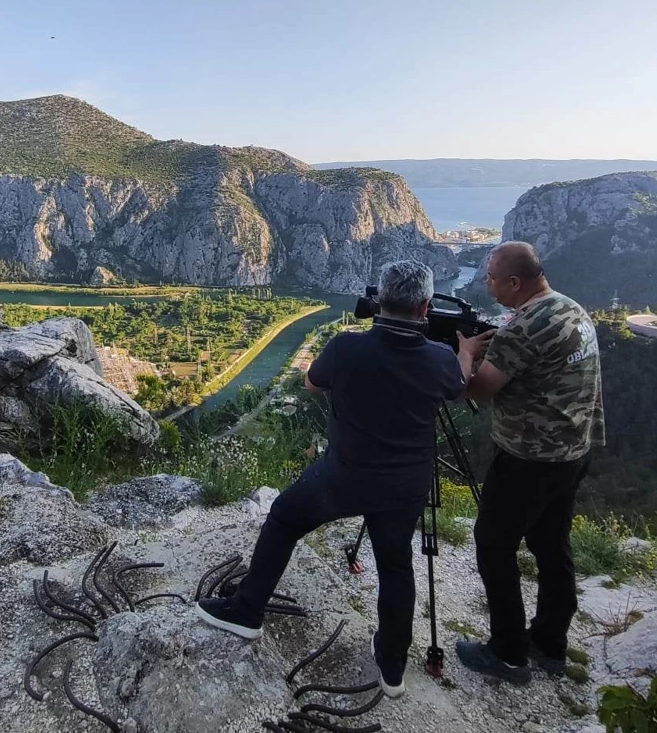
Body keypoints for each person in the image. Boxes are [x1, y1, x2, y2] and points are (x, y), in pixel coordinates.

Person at [194, 260, 465, 698]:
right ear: (425, 308)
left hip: (344, 478)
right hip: (405, 487)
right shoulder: (441, 359)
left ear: (379, 302)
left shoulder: (345, 348)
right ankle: (392, 665)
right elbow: (459, 386)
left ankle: (246, 612)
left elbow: (311, 384)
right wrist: (465, 352)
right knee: (396, 566)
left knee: (283, 519)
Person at [453, 241, 605, 685]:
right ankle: (550, 643)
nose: (487, 283)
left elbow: (476, 390)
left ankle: (507, 653)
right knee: (551, 546)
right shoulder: (570, 309)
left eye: (492, 278)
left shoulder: (525, 327)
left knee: (494, 545)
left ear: (515, 282)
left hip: (529, 459)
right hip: (573, 453)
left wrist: (464, 353)